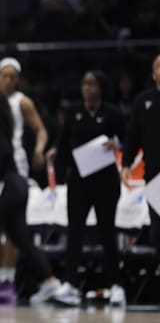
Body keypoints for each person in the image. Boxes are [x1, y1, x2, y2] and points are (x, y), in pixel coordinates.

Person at [0, 86, 61, 305]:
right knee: (22, 238)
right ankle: (50, 282)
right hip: (18, 185)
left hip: (6, 186)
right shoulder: (2, 127)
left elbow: (2, 153)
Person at [46, 70, 126, 307]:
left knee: (107, 232)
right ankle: (70, 284)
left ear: (101, 88)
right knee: (75, 232)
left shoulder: (112, 113)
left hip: (106, 181)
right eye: (84, 84)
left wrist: (117, 144)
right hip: (79, 182)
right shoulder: (73, 112)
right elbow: (63, 142)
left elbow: (127, 138)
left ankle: (116, 285)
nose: (87, 88)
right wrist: (53, 151)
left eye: (92, 84)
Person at [0, 57, 48, 179]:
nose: (8, 80)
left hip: (15, 158)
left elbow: (40, 130)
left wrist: (39, 150)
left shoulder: (23, 102)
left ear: (17, 79)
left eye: (12, 77)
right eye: (4, 76)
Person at [122, 54, 160, 261]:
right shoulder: (143, 101)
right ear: (154, 74)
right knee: (157, 233)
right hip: (155, 177)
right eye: (159, 67)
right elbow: (133, 135)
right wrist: (126, 163)